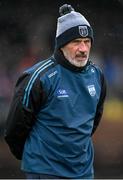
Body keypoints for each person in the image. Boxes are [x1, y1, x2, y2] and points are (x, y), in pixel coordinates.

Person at [4, 4, 106, 179]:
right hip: (45, 172)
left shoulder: (97, 75)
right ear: (61, 44)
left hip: (83, 172)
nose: (83, 49)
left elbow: (93, 121)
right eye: (76, 42)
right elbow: (15, 129)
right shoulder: (38, 78)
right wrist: (36, 158)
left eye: (87, 42)